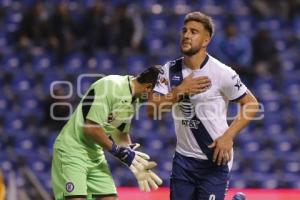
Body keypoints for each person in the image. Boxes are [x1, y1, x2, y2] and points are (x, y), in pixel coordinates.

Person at [147, 12, 259, 200]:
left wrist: (228, 137)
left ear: (206, 40)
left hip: (214, 159)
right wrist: (179, 91)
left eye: (193, 32)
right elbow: (151, 110)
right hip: (183, 160)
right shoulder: (169, 70)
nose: (186, 35)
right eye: (184, 31)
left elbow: (251, 104)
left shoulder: (222, 73)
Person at [51, 66, 163, 200]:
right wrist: (118, 151)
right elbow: (91, 127)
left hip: (95, 155)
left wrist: (133, 157)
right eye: (159, 94)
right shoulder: (111, 86)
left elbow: (120, 133)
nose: (158, 100)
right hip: (72, 151)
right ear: (148, 88)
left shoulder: (135, 99)